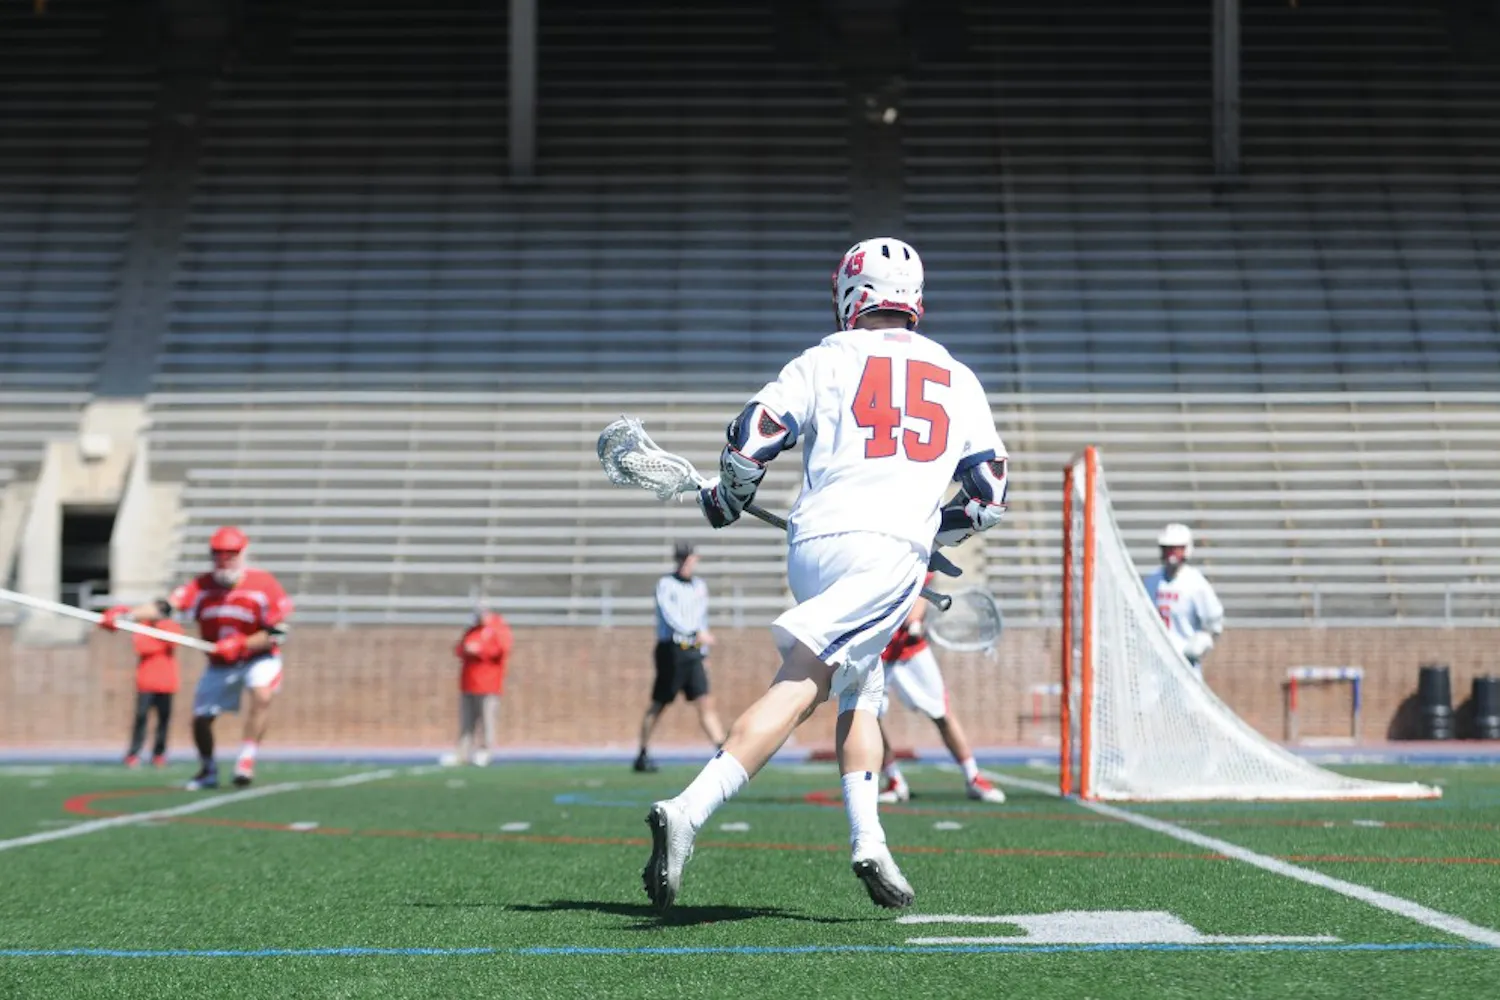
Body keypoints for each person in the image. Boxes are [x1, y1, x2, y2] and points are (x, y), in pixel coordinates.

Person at [641, 237, 1009, 912]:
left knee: (862, 689)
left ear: (850, 293)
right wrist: (936, 531)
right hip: (888, 550)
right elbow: (989, 492)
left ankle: (870, 840)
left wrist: (726, 499)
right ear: (914, 298)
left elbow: (750, 436)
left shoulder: (825, 357)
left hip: (813, 544)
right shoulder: (956, 374)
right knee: (805, 682)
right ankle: (689, 810)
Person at [102, 526, 293, 790]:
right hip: (219, 663)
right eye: (219, 554)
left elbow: (278, 632)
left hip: (257, 657)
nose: (224, 560)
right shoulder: (201, 586)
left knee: (262, 694)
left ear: (243, 554)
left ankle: (246, 759)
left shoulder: (263, 585)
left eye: (231, 554)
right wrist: (126, 616)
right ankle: (208, 769)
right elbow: (165, 607)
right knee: (201, 719)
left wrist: (241, 643)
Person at [871, 579, 1006, 804]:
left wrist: (914, 620)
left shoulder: (906, 546)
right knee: (867, 717)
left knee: (942, 714)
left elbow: (920, 585)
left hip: (909, 649)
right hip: (873, 651)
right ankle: (894, 780)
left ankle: (973, 777)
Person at [635, 542, 724, 773]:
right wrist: (695, 633)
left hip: (693, 651)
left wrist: (703, 653)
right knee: (660, 703)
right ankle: (642, 753)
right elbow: (671, 616)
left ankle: (723, 753)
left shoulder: (699, 586)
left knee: (705, 701)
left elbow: (701, 618)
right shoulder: (666, 584)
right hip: (672, 651)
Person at [1142, 523, 1224, 671]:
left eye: (1176, 549)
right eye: (1167, 549)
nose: (1171, 554)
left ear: (1186, 550)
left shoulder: (1195, 582)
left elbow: (1214, 623)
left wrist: (1202, 641)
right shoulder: (1152, 581)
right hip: (1155, 666)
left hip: (1184, 668)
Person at [442, 607, 513, 767]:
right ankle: (463, 753)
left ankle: (485, 752)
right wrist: (466, 650)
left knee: (487, 720)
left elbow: (501, 650)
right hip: (468, 683)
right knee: (466, 722)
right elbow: (459, 648)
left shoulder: (498, 629)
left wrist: (480, 651)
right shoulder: (472, 630)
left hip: (488, 684)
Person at [123, 603, 183, 769]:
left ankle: (159, 754)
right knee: (141, 718)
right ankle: (134, 753)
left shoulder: (171, 626)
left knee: (163, 721)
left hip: (167, 683)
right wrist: (159, 643)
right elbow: (142, 647)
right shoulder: (143, 627)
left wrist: (159, 629)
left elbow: (173, 642)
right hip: (146, 682)